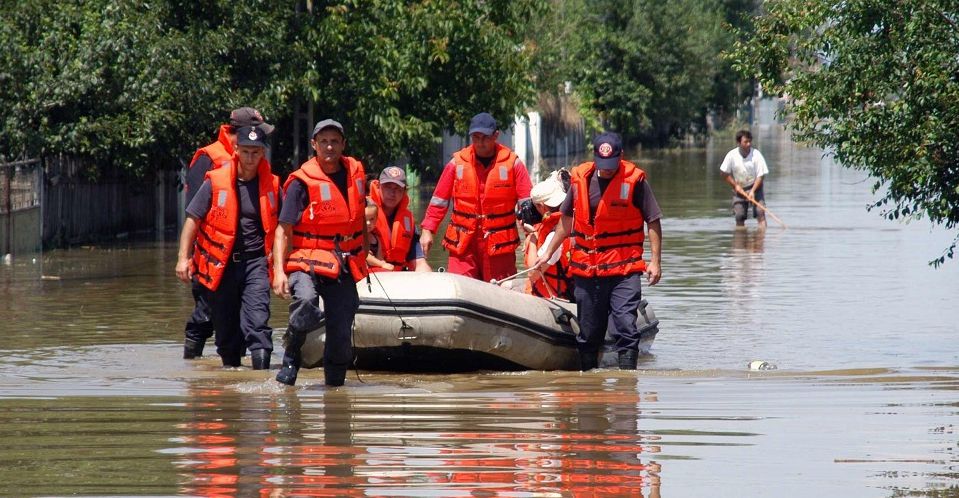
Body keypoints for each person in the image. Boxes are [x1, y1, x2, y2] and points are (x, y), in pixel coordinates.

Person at [534, 131, 662, 371]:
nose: (606, 170)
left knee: (626, 326)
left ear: (621, 156)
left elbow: (653, 220)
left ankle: (628, 388)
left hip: (624, 269)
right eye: (602, 165)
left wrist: (655, 261)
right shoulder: (580, 179)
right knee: (588, 334)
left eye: (611, 165)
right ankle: (589, 390)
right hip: (587, 270)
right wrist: (548, 253)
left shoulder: (635, 181)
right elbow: (566, 221)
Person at [272, 119, 369, 387]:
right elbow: (282, 230)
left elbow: (360, 217)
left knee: (340, 335)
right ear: (314, 145)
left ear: (343, 145)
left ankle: (335, 394)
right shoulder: (301, 183)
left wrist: (365, 253)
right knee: (305, 301)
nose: (329, 146)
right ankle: (292, 354)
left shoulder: (356, 174)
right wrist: (279, 272)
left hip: (343, 263)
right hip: (307, 260)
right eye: (323, 141)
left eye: (335, 141)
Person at [175, 124, 280, 369]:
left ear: (263, 153)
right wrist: (183, 258)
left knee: (258, 323)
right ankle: (231, 389)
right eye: (246, 151)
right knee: (226, 335)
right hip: (221, 264)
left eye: (256, 152)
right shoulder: (215, 182)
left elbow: (283, 229)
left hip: (255, 263)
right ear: (236, 150)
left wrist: (283, 268)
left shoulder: (273, 185)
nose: (251, 158)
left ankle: (263, 385)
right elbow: (192, 220)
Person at [419, 112, 532, 282]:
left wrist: (532, 234)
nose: (480, 143)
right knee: (461, 287)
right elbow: (439, 201)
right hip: (463, 246)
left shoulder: (513, 164)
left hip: (498, 246)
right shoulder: (456, 163)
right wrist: (428, 230)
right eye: (476, 137)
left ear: (496, 136)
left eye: (485, 138)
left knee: (500, 292)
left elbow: (528, 206)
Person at [367, 166, 432, 273]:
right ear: (378, 186)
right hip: (372, 278)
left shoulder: (408, 221)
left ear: (404, 191)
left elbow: (419, 262)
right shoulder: (364, 211)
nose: (392, 193)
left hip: (398, 278)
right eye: (388, 187)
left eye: (397, 188)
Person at [522, 172, 573, 300]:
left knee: (505, 286)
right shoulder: (569, 221)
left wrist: (532, 239)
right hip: (562, 288)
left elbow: (533, 273)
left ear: (541, 206)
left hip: (553, 297)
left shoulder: (554, 235)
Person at [720, 129, 769, 229]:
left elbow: (761, 176)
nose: (748, 144)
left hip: (755, 186)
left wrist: (752, 191)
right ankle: (740, 239)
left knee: (760, 212)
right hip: (739, 187)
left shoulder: (756, 155)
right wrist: (735, 186)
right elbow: (724, 173)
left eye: (750, 141)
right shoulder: (731, 155)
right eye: (745, 142)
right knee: (739, 216)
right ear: (739, 143)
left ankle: (761, 239)